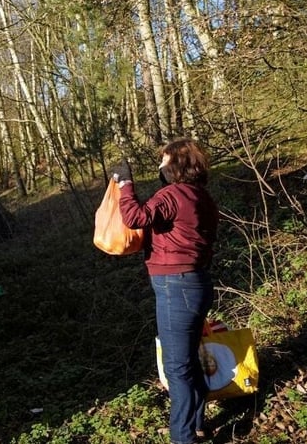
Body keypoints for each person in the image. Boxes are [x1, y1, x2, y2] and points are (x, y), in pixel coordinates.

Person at [111, 138, 219, 444]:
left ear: (176, 165)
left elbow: (135, 217)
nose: (160, 165)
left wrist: (126, 184)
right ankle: (196, 424)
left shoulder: (173, 194)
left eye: (164, 159)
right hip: (197, 284)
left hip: (176, 288)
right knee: (189, 361)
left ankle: (182, 437)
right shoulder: (202, 197)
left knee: (177, 367)